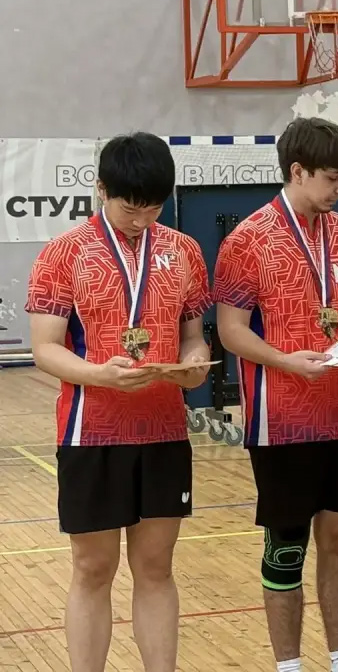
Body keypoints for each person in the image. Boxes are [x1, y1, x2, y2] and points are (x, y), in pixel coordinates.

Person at [25, 132, 213, 672]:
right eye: (131, 207)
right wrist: (99, 377)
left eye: (153, 208)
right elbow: (44, 348)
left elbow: (193, 335)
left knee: (156, 567)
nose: (141, 219)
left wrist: (195, 361)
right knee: (92, 568)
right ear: (102, 189)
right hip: (91, 432)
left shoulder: (183, 251)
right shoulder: (64, 253)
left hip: (164, 430)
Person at [212, 117, 338, 672]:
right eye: (333, 178)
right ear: (298, 171)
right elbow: (231, 330)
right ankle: (289, 666)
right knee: (286, 548)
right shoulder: (248, 239)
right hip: (282, 418)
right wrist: (285, 361)